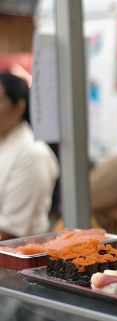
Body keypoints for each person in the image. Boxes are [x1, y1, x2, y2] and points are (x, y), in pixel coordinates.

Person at [0, 72, 59, 240]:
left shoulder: (33, 153)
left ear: (19, 107)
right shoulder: (5, 144)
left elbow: (9, 230)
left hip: (18, 260)